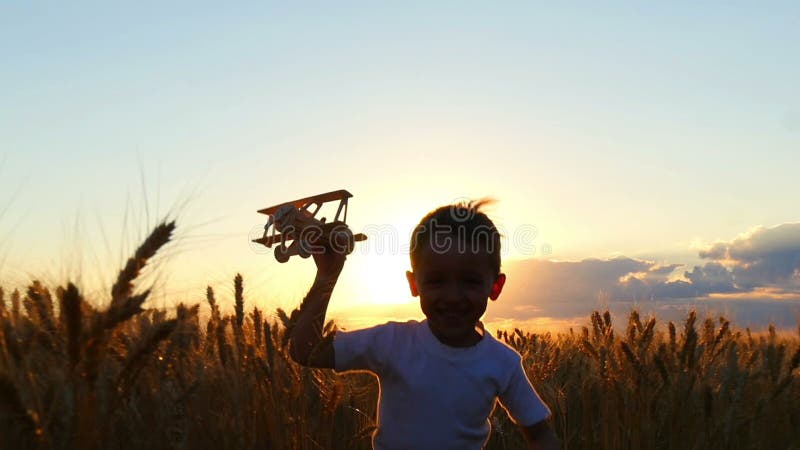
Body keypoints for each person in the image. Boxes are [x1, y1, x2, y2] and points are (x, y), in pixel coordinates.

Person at [288, 200, 560, 450]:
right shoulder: (392, 342)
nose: (452, 297)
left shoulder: (504, 363)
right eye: (436, 281)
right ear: (413, 284)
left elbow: (539, 433)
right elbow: (306, 350)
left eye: (470, 281)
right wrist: (327, 275)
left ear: (496, 286)